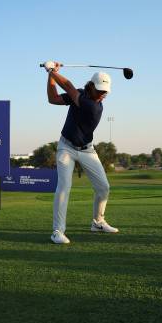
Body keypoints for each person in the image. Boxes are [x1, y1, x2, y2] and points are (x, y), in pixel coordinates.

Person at [44, 61, 119, 244]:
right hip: (66, 148)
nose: (103, 95)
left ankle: (97, 222)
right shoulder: (81, 95)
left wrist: (52, 70)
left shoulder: (93, 106)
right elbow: (52, 99)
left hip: (87, 150)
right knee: (64, 187)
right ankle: (57, 231)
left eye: (105, 92)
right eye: (100, 90)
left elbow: (68, 86)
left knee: (103, 187)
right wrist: (50, 75)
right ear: (91, 86)